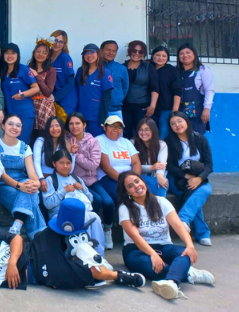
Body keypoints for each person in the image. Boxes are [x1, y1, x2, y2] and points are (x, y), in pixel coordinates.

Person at [0, 198, 146, 291]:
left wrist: (12, 263)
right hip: (37, 271)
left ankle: (82, 250)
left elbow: (17, 238)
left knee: (67, 217)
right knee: (83, 271)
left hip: (36, 247)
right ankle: (117, 276)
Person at [117, 171, 216, 300]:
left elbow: (178, 225)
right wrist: (153, 254)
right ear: (127, 192)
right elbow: (135, 237)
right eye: (130, 186)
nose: (136, 186)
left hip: (164, 245)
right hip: (136, 250)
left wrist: (190, 245)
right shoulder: (125, 208)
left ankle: (171, 283)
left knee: (184, 253)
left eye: (137, 181)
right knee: (153, 268)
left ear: (143, 182)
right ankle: (189, 273)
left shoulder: (161, 202)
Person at [41, 150, 104, 255]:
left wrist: (83, 189)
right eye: (61, 163)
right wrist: (63, 191)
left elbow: (91, 199)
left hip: (82, 212)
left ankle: (99, 254)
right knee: (83, 218)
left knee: (95, 217)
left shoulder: (77, 179)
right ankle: (84, 254)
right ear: (54, 164)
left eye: (68, 163)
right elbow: (48, 204)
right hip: (59, 215)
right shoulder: (50, 180)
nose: (65, 166)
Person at [92, 115, 141, 249]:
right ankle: (115, 231)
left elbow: (136, 162)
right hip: (109, 178)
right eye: (112, 126)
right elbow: (106, 167)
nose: (116, 129)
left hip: (129, 177)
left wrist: (135, 180)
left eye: (119, 127)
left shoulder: (126, 142)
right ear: (105, 127)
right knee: (125, 198)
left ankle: (140, 232)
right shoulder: (99, 140)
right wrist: (126, 182)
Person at [166, 112, 214, 246]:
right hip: (178, 180)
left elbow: (209, 165)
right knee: (195, 195)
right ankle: (202, 233)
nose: (177, 125)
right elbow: (169, 166)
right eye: (173, 124)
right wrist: (186, 176)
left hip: (199, 178)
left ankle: (183, 219)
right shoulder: (168, 142)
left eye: (179, 121)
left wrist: (199, 178)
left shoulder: (200, 139)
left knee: (205, 190)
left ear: (186, 121)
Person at [0, 114, 46, 238]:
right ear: (3, 126)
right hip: (4, 185)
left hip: (22, 181)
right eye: (10, 124)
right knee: (31, 197)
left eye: (18, 125)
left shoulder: (25, 147)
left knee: (30, 189)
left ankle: (17, 225)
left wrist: (36, 183)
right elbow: (1, 174)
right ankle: (40, 238)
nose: (14, 127)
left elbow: (32, 172)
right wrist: (19, 186)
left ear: (22, 128)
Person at [67, 113, 105, 222]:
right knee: (96, 199)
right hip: (75, 180)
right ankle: (87, 222)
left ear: (84, 125)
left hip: (92, 180)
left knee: (107, 201)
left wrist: (76, 154)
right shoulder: (66, 141)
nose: (74, 126)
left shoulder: (93, 141)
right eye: (71, 124)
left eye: (78, 123)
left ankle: (105, 228)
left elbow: (93, 165)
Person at [0, 43, 40, 143]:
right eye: (7, 53)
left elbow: (36, 88)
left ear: (17, 55)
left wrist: (22, 95)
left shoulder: (24, 69)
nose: (10, 56)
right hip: (10, 115)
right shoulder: (2, 71)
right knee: (11, 144)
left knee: (21, 144)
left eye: (13, 53)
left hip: (24, 115)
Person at [122, 40, 159, 139]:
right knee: (126, 135)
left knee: (142, 134)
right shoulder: (122, 67)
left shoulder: (148, 67)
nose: (137, 53)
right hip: (124, 107)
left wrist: (152, 106)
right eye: (134, 50)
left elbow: (155, 87)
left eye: (140, 52)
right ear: (129, 51)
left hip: (142, 108)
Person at [75, 44, 113, 137]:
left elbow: (106, 98)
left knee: (96, 143)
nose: (89, 55)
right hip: (81, 115)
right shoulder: (80, 71)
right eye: (86, 53)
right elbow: (75, 92)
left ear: (98, 53)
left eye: (92, 52)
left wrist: (102, 119)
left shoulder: (105, 73)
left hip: (96, 117)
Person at [176, 44, 215, 135]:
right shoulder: (175, 71)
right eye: (181, 53)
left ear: (194, 54)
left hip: (197, 113)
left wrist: (207, 109)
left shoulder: (203, 70)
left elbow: (209, 90)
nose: (185, 55)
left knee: (195, 140)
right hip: (179, 112)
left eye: (188, 52)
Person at [132, 118, 168, 197]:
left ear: (153, 130)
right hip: (138, 175)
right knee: (153, 184)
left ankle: (160, 208)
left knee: (163, 183)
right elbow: (132, 166)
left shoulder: (161, 144)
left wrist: (159, 176)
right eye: (140, 130)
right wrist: (151, 167)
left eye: (147, 130)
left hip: (155, 175)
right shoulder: (132, 143)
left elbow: (161, 164)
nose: (143, 133)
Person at [27, 40, 57, 134]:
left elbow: (48, 91)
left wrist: (37, 76)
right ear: (34, 53)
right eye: (38, 51)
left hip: (44, 106)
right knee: (31, 134)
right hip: (31, 104)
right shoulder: (28, 68)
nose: (41, 54)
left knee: (45, 135)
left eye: (44, 53)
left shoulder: (51, 70)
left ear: (48, 56)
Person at [151, 46, 182, 137]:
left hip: (166, 109)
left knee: (163, 136)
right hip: (149, 109)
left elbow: (177, 91)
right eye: (158, 55)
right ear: (153, 56)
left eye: (164, 56)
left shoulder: (172, 71)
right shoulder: (148, 68)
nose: (161, 58)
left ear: (167, 58)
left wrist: (174, 111)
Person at [49, 30, 78, 117]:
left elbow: (71, 82)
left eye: (61, 41)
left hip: (67, 99)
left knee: (64, 127)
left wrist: (56, 97)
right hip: (54, 98)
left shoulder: (65, 58)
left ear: (64, 44)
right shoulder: (47, 57)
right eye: (55, 40)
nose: (57, 44)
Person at [100, 40, 129, 119]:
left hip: (115, 110)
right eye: (108, 50)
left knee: (115, 131)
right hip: (97, 109)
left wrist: (117, 99)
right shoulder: (94, 67)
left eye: (114, 51)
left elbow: (125, 88)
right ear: (101, 50)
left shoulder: (121, 68)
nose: (111, 53)